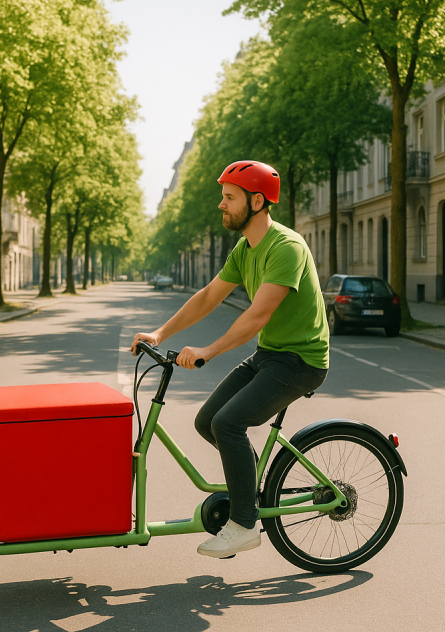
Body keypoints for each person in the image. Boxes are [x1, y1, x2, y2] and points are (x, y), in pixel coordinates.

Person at [130, 160, 329, 559]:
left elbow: (257, 315)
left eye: (229, 198)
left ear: (257, 202)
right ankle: (250, 490)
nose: (221, 205)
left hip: (301, 361)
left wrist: (207, 350)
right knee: (208, 422)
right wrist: (160, 333)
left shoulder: (286, 247)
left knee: (228, 423)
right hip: (271, 354)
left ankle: (243, 523)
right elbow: (208, 296)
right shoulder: (245, 247)